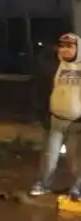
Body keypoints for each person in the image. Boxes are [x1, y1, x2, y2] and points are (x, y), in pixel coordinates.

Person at [30, 33, 81, 198]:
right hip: (55, 122)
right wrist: (42, 114)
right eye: (62, 46)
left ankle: (78, 188)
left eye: (69, 46)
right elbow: (41, 88)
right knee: (49, 157)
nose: (65, 49)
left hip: (76, 124)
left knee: (75, 161)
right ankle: (43, 184)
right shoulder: (53, 66)